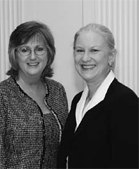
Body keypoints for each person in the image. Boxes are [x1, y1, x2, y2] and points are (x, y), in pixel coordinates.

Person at [0, 21, 68, 168]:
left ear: (49, 53)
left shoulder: (58, 91)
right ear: (15, 54)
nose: (33, 57)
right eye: (25, 50)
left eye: (39, 49)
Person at [57, 23, 138, 168]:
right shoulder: (77, 101)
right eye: (80, 50)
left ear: (111, 56)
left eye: (94, 50)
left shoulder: (125, 102)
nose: (85, 58)